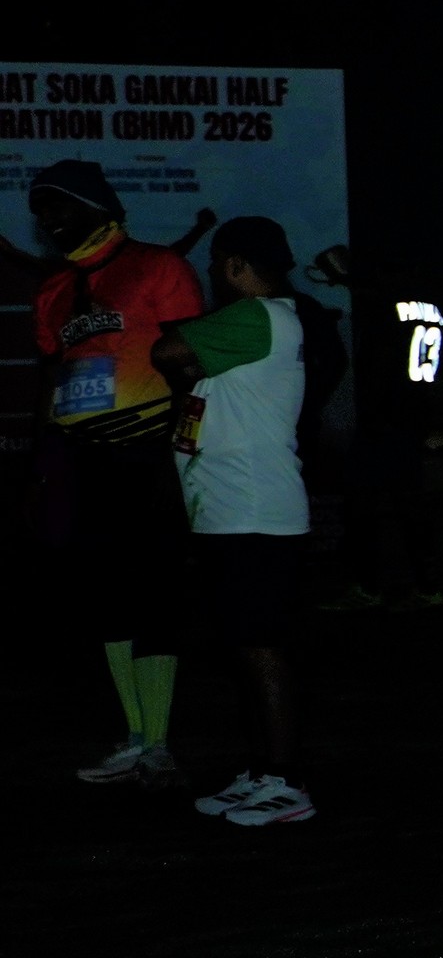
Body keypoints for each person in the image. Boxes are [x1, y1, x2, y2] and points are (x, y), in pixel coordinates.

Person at [29, 158, 202, 788]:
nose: (48, 219)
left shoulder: (159, 266)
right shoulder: (53, 290)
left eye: (57, 204)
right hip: (86, 461)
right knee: (105, 597)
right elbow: (53, 378)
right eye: (39, 210)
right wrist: (47, 463)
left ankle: (158, 744)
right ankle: (134, 736)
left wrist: (181, 456)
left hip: (149, 455)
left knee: (154, 591)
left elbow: (191, 366)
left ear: (97, 206)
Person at [151, 217, 317, 826]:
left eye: (217, 262)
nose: (212, 274)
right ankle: (261, 770)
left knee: (261, 649)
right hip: (231, 511)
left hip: (253, 512)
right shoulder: (260, 322)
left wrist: (184, 353)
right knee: (242, 650)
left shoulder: (258, 316)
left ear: (236, 265)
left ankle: (287, 783)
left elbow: (166, 351)